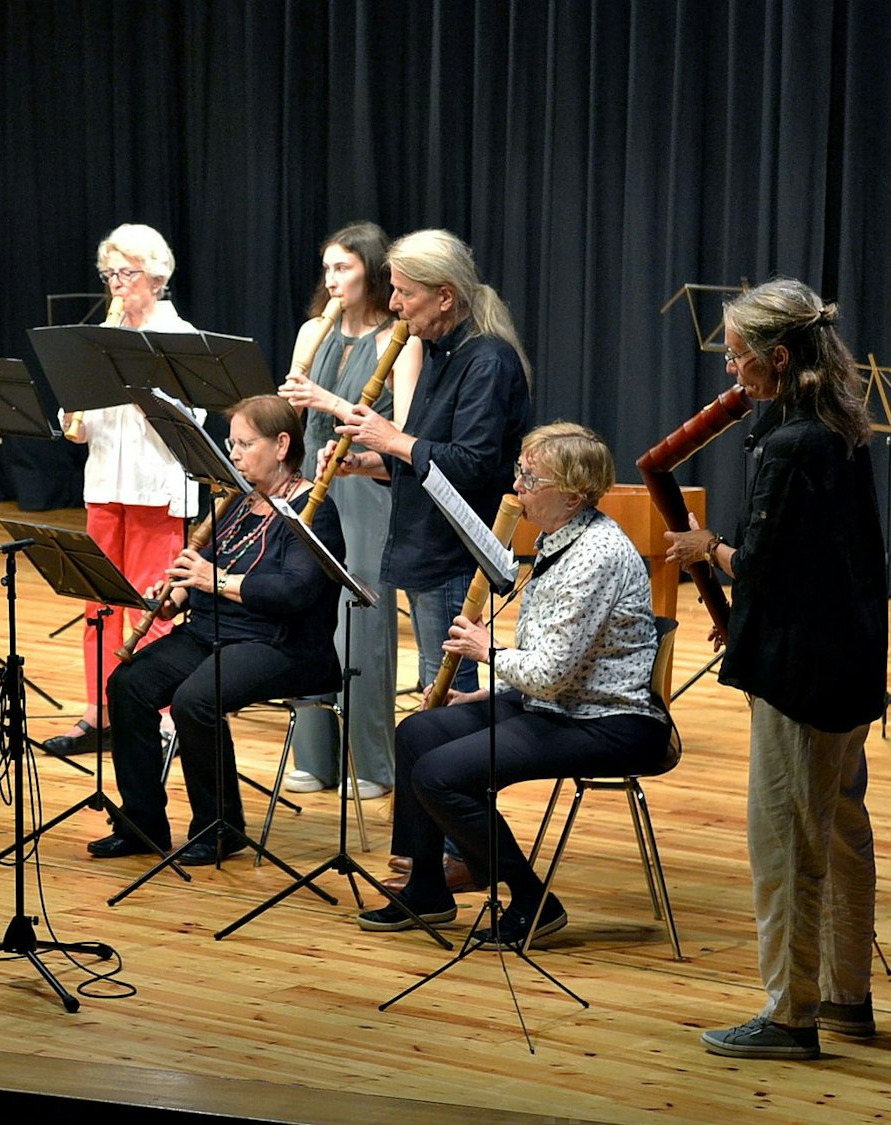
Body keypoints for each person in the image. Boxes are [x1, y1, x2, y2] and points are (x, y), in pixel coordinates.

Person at [665, 279, 885, 1061]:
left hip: (803, 675)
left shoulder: (791, 444)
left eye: (737, 356)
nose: (731, 372)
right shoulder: (839, 426)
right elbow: (818, 565)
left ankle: (790, 1016)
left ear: (779, 357)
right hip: (849, 661)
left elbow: (758, 566)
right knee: (844, 829)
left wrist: (704, 548)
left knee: (787, 844)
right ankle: (845, 994)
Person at [357, 423, 670, 947]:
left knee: (440, 775)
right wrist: (494, 691)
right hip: (559, 703)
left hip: (610, 721)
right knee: (418, 733)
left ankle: (532, 900)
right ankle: (428, 887)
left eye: (530, 477)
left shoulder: (595, 556)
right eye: (520, 470)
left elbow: (550, 674)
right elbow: (554, 664)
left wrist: (488, 653)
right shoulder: (557, 537)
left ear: (570, 496)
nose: (517, 485)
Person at [87, 396, 345, 864]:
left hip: (280, 643)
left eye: (246, 444)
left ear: (282, 444)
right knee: (127, 684)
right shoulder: (238, 502)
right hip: (213, 631)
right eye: (232, 444)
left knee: (195, 700)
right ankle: (142, 823)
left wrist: (216, 581)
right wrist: (173, 598)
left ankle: (220, 827)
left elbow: (294, 593)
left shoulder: (313, 508)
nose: (235, 455)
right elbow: (202, 570)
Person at [331, 228, 531, 700]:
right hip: (425, 545)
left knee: (449, 694)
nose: (395, 304)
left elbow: (473, 464)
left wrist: (395, 439)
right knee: (432, 687)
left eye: (405, 292)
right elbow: (426, 464)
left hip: (453, 553)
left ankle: (456, 775)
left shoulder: (487, 360)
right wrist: (366, 461)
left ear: (444, 297)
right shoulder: (438, 352)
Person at [276, 220, 424, 800]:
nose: (332, 279)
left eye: (345, 267)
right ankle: (316, 756)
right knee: (306, 611)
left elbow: (405, 432)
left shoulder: (402, 339)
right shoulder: (315, 329)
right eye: (328, 268)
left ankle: (372, 764)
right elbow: (298, 415)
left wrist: (327, 399)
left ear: (372, 270)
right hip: (312, 481)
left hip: (367, 486)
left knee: (361, 625)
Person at [44, 223, 199, 756]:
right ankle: (98, 711)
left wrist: (141, 393)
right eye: (109, 273)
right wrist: (73, 410)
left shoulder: (177, 335)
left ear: (156, 276)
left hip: (156, 488)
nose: (116, 283)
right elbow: (84, 428)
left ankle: (157, 714)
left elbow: (192, 420)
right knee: (98, 601)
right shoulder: (98, 337)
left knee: (152, 606)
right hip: (105, 485)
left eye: (126, 273)